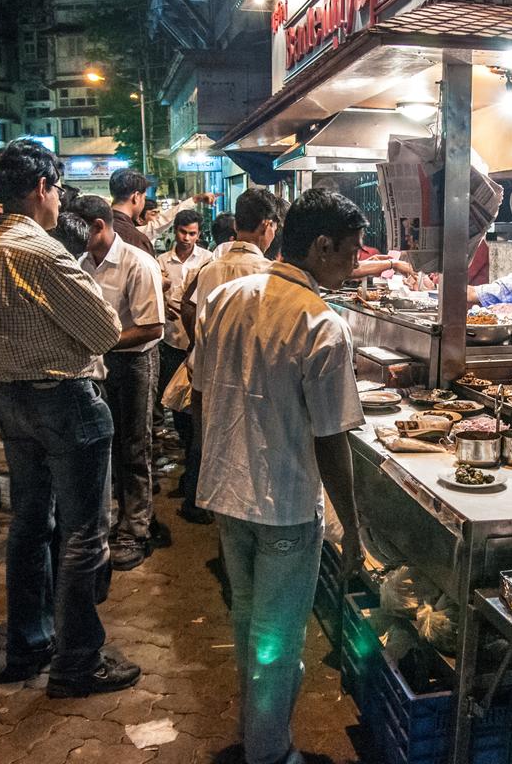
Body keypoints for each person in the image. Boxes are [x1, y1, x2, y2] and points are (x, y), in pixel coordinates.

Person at [191, 188, 365, 764]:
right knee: (278, 637)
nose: (358, 262)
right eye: (353, 250)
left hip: (226, 491)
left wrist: (217, 458)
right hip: (285, 502)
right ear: (321, 245)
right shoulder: (322, 324)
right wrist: (353, 526)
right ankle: (268, 753)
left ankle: (257, 733)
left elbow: (199, 396)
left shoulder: (222, 298)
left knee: (248, 623)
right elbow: (331, 438)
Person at [0, 138, 140, 697]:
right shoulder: (40, 251)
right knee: (84, 534)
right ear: (41, 188)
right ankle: (77, 661)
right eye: (58, 190)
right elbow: (106, 331)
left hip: (10, 402)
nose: (60, 202)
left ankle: (29, 642)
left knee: (29, 523)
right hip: (64, 401)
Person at [75, 194, 167, 571]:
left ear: (99, 226)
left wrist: (102, 340)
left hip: (134, 363)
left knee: (134, 445)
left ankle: (135, 528)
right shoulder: (81, 263)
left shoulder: (136, 263)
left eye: (81, 231)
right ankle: (112, 519)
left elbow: (152, 327)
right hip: (96, 365)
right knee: (103, 444)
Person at [180, 188, 282, 524]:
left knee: (208, 442)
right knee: (245, 454)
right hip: (251, 378)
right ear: (267, 225)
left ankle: (211, 510)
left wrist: (199, 343)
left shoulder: (210, 267)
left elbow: (188, 305)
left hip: (206, 373)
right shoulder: (267, 272)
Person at [156, 209, 212, 498]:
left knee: (194, 413)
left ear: (199, 234)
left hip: (196, 347)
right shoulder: (160, 262)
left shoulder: (207, 260)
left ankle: (193, 475)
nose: (187, 238)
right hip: (171, 343)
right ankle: (190, 472)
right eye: (182, 232)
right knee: (175, 408)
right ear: (174, 231)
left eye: (192, 233)